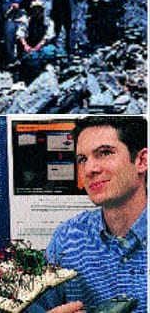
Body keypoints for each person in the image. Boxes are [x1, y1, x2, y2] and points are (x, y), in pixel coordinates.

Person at [30, 116, 147, 313]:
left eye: (105, 153)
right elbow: (36, 306)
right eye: (83, 159)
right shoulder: (67, 238)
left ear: (142, 161)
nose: (89, 169)